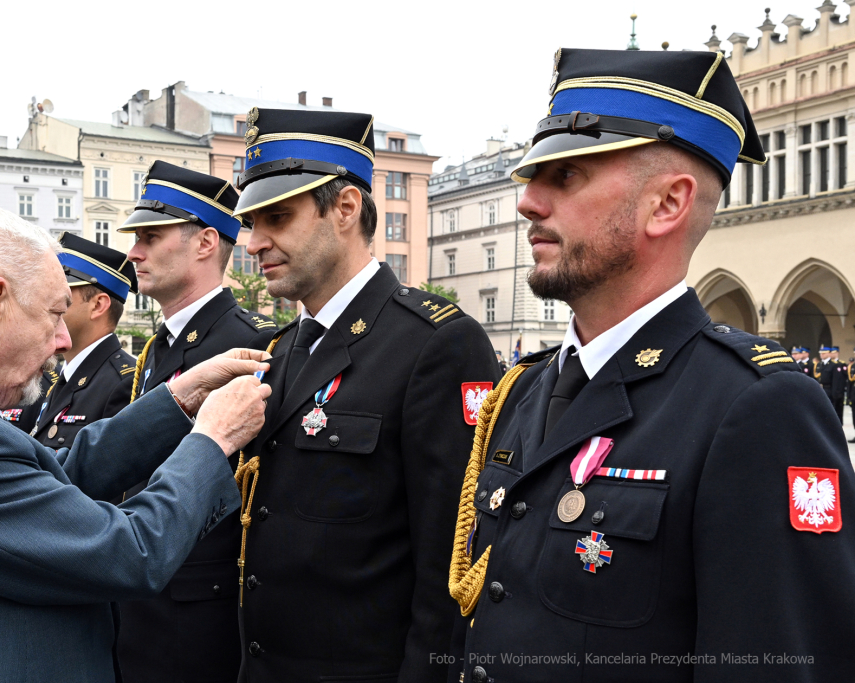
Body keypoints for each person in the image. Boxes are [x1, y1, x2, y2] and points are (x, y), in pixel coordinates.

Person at [449, 48, 855, 683]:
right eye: (534, 176)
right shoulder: (522, 392)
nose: (528, 202)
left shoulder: (755, 408)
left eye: (567, 176)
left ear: (667, 204)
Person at [0, 205, 272, 683]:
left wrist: (177, 400)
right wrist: (211, 438)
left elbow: (50, 479)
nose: (62, 339)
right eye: (54, 313)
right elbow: (130, 552)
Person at [233, 107, 499, 682]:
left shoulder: (436, 344)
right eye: (251, 222)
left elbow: (447, 577)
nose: (254, 242)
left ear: (346, 209)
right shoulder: (279, 351)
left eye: (276, 216)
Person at [112, 161, 277, 683]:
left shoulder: (253, 343)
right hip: (142, 605)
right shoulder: (157, 347)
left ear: (206, 243)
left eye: (150, 237)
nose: (134, 252)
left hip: (198, 621)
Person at [30, 232, 138, 451]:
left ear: (98, 305)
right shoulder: (63, 378)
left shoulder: (123, 384)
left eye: (63, 297)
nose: (48, 304)